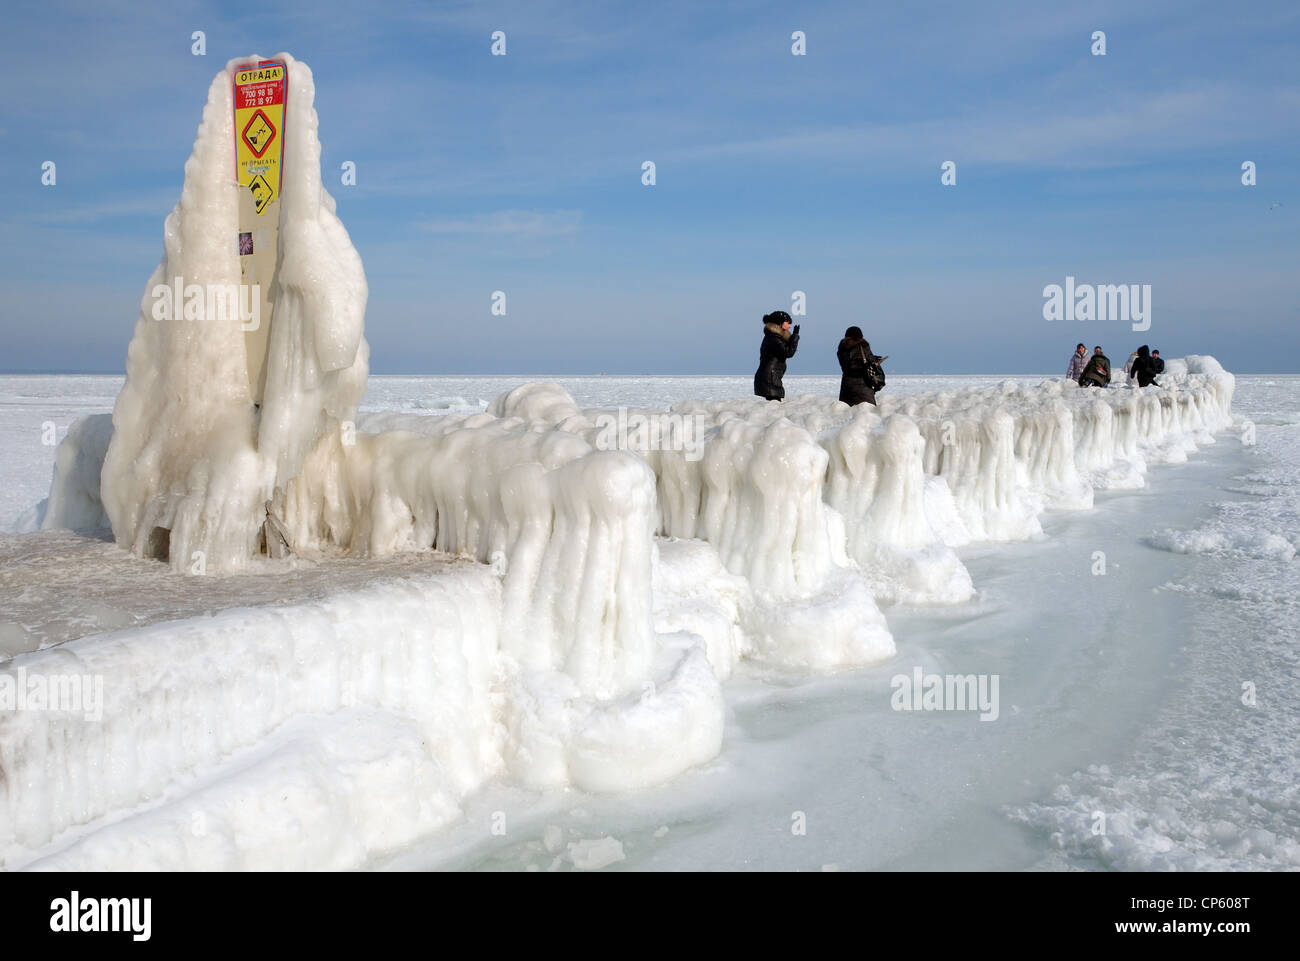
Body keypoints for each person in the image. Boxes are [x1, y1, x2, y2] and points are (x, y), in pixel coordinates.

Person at [754, 311, 799, 401]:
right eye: (788, 323)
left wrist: (792, 338)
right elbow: (788, 352)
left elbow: (785, 348)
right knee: (774, 406)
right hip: (770, 378)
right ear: (780, 323)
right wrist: (795, 336)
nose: (790, 326)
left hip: (771, 377)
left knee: (774, 407)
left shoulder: (774, 337)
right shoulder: (773, 339)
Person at [837, 326, 885, 406]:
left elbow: (847, 365)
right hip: (864, 385)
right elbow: (867, 361)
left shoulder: (842, 348)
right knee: (867, 413)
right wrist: (874, 360)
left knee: (847, 414)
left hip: (847, 387)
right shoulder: (863, 346)